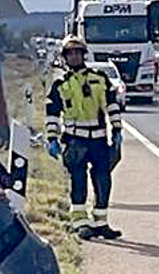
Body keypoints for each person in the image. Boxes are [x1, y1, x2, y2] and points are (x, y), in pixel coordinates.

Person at [45, 36, 122, 240]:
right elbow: (52, 113)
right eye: (70, 53)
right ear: (65, 57)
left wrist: (117, 130)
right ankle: (80, 223)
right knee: (78, 182)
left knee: (103, 181)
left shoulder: (100, 78)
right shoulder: (60, 84)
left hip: (98, 139)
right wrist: (51, 138)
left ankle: (101, 223)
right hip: (74, 140)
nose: (75, 56)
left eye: (78, 52)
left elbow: (112, 104)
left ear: (84, 54)